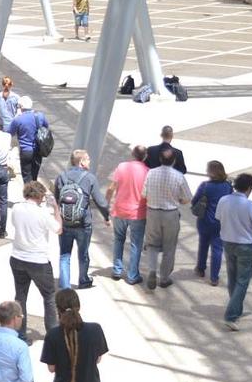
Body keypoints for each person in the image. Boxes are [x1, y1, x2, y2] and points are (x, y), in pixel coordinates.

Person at [216, 173, 252, 331]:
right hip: (245, 245)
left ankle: (236, 308)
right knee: (243, 280)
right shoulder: (250, 205)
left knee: (232, 277)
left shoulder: (223, 200)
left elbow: (219, 217)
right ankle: (231, 314)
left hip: (228, 242)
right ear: (249, 188)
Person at [9, 181, 62, 343]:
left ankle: (21, 334)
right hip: (38, 260)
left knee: (21, 297)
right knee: (49, 296)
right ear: (40, 196)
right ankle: (52, 334)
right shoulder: (43, 213)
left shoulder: (17, 208)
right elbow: (58, 229)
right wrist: (56, 210)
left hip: (18, 257)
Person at [54, 150, 111, 290]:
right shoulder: (89, 178)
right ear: (81, 162)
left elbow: (57, 199)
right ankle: (84, 280)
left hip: (65, 222)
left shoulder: (61, 176)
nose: (89, 162)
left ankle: (65, 286)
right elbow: (101, 202)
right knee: (83, 253)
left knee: (64, 255)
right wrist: (107, 217)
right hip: (83, 223)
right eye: (88, 159)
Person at [141, 147, 192, 291]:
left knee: (152, 244)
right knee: (170, 246)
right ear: (174, 161)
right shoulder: (179, 176)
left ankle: (152, 269)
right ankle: (164, 278)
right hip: (170, 213)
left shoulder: (151, 173)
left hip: (153, 212)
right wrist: (179, 201)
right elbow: (187, 197)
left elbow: (144, 194)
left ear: (160, 160)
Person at [106, 145, 149, 285]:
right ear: (145, 156)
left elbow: (111, 187)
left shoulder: (122, 167)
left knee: (119, 239)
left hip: (119, 210)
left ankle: (117, 270)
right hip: (138, 213)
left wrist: (106, 202)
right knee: (136, 244)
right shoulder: (147, 171)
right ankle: (132, 275)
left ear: (132, 154)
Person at [192, 161, 234, 287]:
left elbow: (194, 201)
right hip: (221, 222)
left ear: (210, 172)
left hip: (205, 220)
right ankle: (214, 277)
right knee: (217, 249)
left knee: (203, 244)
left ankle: (200, 268)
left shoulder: (205, 186)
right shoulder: (227, 186)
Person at [7, 95, 47, 183]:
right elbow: (46, 128)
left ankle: (29, 194)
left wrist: (16, 116)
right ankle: (35, 193)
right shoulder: (40, 116)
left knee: (26, 177)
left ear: (20, 107)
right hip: (38, 150)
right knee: (34, 176)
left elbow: (9, 132)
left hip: (25, 151)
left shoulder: (18, 119)